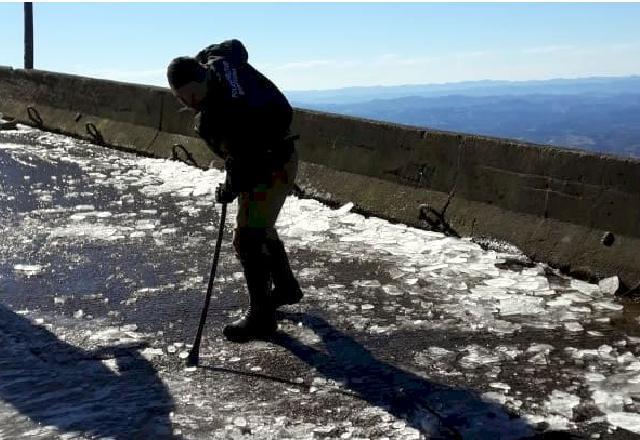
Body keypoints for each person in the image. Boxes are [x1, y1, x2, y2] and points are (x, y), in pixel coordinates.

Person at [166, 39, 302, 342]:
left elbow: (241, 161)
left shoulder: (224, 114)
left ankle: (262, 318)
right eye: (180, 97)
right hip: (276, 153)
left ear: (198, 83)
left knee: (248, 237)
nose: (188, 103)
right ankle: (285, 288)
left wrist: (228, 190)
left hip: (271, 164)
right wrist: (203, 57)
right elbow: (233, 45)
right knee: (260, 226)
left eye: (189, 95)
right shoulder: (219, 61)